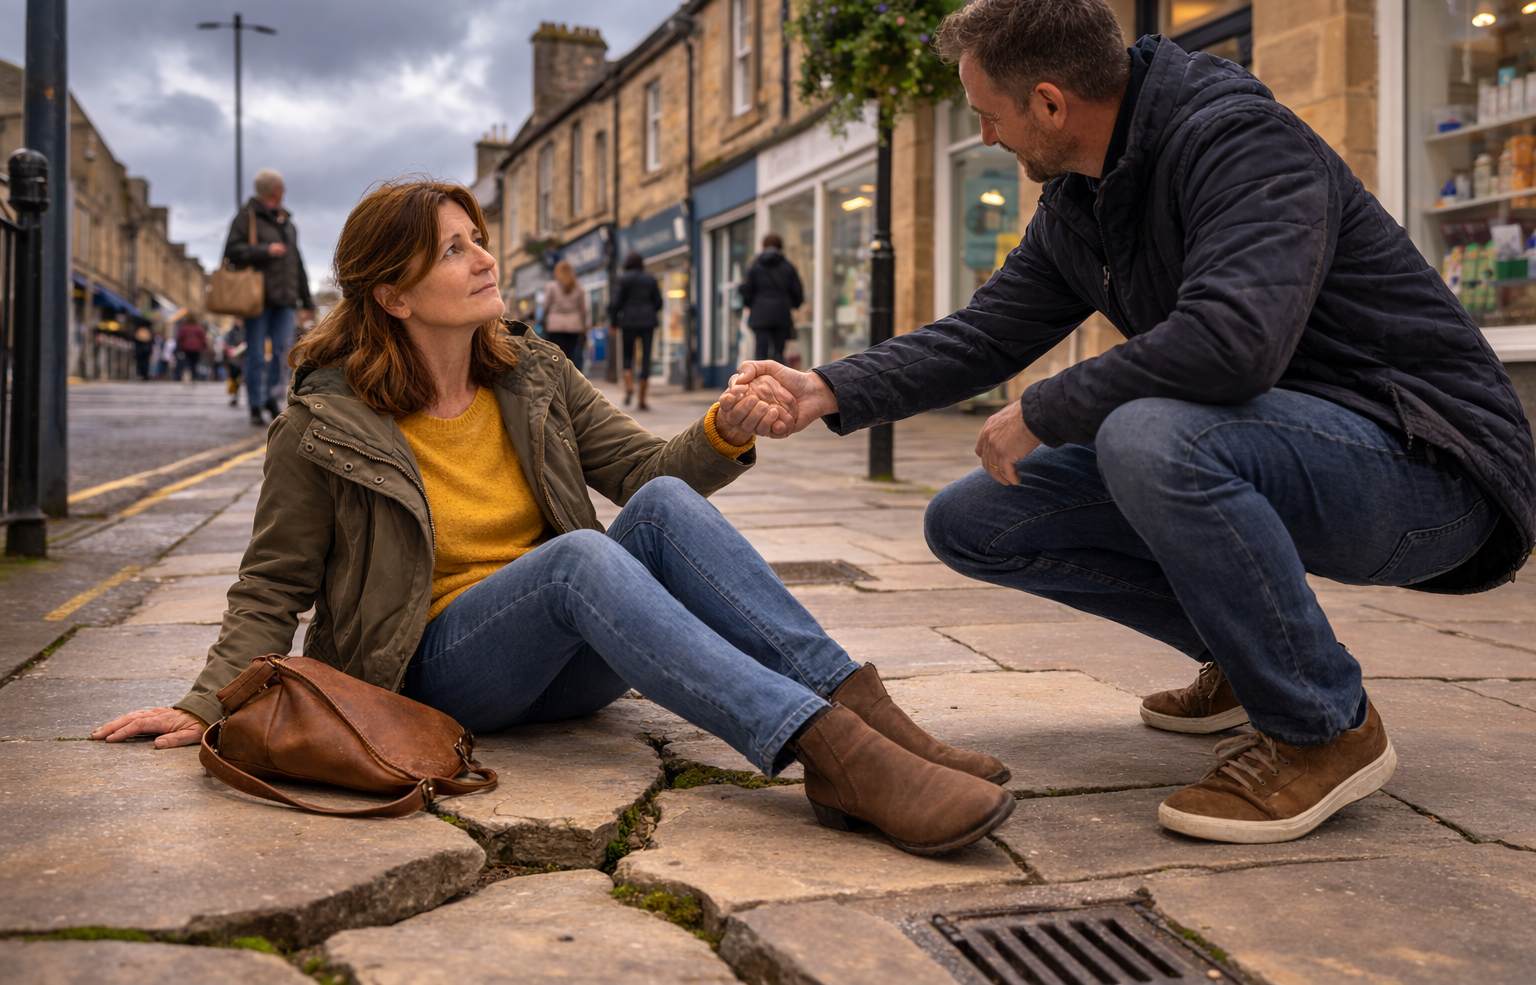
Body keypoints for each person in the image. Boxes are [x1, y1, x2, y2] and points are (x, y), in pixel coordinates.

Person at [731, 0, 1536, 846]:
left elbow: (1234, 340)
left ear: (1048, 101)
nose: (985, 133)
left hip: (1430, 471)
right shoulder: (1082, 198)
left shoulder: (1238, 139)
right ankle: (1249, 661)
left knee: (1152, 436)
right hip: (1287, 445)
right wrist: (828, 387)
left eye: (987, 113)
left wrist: (1047, 406)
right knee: (976, 517)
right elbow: (984, 333)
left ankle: (1321, 727)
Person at [90, 179, 1015, 857]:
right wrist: (204, 702)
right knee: (578, 556)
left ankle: (870, 718)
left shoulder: (531, 370)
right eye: (453, 249)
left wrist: (724, 429)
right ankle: (830, 753)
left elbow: (650, 473)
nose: (484, 256)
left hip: (575, 656)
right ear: (393, 294)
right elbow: (273, 582)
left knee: (654, 505)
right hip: (439, 667)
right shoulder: (324, 423)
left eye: (475, 238)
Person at [225, 168, 312, 427]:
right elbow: (232, 251)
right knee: (254, 353)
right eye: (282, 187)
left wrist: (307, 301)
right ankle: (254, 403)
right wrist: (265, 250)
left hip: (285, 300)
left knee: (282, 352)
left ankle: (272, 398)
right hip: (257, 298)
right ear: (275, 190)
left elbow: (297, 263)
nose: (284, 192)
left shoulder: (287, 222)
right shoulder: (247, 216)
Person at [609, 251, 663, 409]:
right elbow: (659, 302)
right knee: (646, 357)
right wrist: (650, 309)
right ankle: (642, 399)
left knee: (627, 355)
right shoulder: (649, 278)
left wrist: (613, 323)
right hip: (647, 321)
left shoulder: (623, 278)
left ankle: (629, 387)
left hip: (628, 321)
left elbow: (615, 303)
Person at [739, 233, 804, 364]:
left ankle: (760, 381)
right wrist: (794, 305)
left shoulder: (755, 265)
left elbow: (746, 289)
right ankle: (777, 382)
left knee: (761, 352)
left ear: (764, 246)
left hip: (760, 314)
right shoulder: (787, 266)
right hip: (781, 314)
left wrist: (751, 304)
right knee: (778, 353)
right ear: (781, 246)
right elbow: (797, 290)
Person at [542, 259, 590, 372]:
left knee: (556, 357)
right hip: (574, 326)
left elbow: (545, 306)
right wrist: (584, 327)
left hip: (555, 326)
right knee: (571, 357)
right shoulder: (578, 287)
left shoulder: (551, 286)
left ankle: (558, 382)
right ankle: (570, 382)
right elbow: (584, 309)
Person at [174, 317, 207, 382]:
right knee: (194, 363)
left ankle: (187, 375)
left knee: (187, 362)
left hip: (186, 348)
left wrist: (180, 346)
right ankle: (194, 377)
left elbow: (179, 337)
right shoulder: (199, 327)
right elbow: (203, 338)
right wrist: (204, 346)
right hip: (196, 348)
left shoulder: (183, 327)